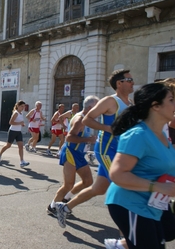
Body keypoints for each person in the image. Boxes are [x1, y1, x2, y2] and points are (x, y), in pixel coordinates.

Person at [55, 69, 134, 228]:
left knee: (98, 188)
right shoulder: (110, 101)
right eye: (129, 79)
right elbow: (88, 119)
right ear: (119, 83)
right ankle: (127, 234)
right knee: (124, 186)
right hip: (107, 149)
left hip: (121, 150)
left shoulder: (130, 104)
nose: (133, 82)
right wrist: (107, 128)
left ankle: (65, 207)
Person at [104, 82, 175, 249]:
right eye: (171, 100)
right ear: (155, 106)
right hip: (130, 204)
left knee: (169, 233)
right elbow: (117, 174)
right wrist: (157, 186)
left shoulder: (162, 136)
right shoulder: (138, 135)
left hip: (153, 204)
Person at [47, 96, 99, 216]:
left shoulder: (87, 118)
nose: (99, 110)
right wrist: (88, 139)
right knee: (68, 184)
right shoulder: (80, 119)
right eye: (98, 107)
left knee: (88, 181)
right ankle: (52, 206)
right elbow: (69, 137)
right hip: (71, 152)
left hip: (79, 154)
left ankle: (65, 200)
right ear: (91, 107)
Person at [0, 100, 29, 168]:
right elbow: (10, 122)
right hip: (12, 131)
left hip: (18, 132)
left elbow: (19, 122)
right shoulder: (16, 113)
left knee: (20, 146)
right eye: (22, 106)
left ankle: (22, 161)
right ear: (18, 106)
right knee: (8, 145)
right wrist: (20, 123)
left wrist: (22, 124)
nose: (23, 108)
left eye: (24, 106)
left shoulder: (21, 113)